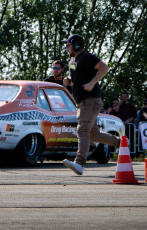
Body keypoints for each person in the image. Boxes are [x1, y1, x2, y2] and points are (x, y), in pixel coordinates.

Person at [60, 34, 120, 175]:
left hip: (90, 100)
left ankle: (79, 163)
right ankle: (121, 143)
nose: (66, 48)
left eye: (68, 45)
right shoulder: (73, 61)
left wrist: (93, 83)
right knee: (94, 135)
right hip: (81, 102)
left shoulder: (87, 57)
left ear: (75, 46)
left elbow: (104, 67)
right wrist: (69, 80)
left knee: (82, 129)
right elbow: (77, 77)